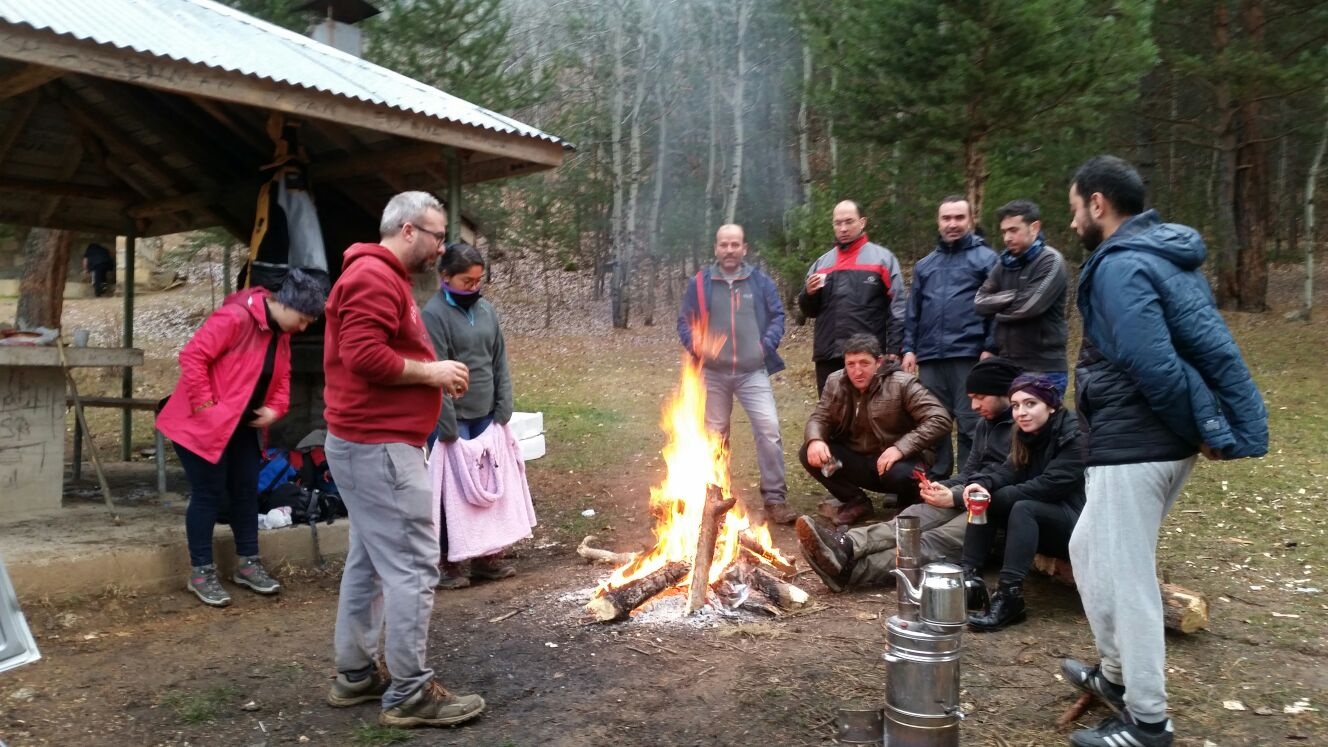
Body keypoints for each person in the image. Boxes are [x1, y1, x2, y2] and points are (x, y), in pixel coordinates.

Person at [1061, 155, 1268, 747]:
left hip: (1137, 442)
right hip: (1145, 439)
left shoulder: (1120, 265)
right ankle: (1116, 675)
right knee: (1085, 547)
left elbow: (1151, 362)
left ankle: (1148, 720)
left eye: (1074, 208)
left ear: (1098, 203)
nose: (1072, 221)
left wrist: (1198, 426)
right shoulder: (1158, 256)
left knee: (1128, 579)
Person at [322, 191, 485, 729]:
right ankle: (411, 693)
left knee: (370, 560)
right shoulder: (373, 277)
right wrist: (432, 372)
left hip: (370, 445)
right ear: (409, 230)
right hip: (380, 448)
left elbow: (376, 349)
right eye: (437, 236)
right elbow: (362, 355)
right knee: (414, 563)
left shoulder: (383, 277)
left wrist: (429, 372)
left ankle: (355, 673)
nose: (442, 248)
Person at [156, 268, 327, 607]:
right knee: (208, 494)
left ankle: (248, 564)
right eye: (303, 319)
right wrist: (207, 406)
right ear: (285, 304)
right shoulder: (234, 318)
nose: (303, 327)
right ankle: (201, 572)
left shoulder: (280, 334)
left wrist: (276, 409)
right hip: (200, 425)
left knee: (246, 491)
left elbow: (283, 376)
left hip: (242, 426)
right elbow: (193, 357)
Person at [796, 357, 1023, 593]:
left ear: (1003, 393)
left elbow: (1012, 485)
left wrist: (955, 497)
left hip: (996, 515)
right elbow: (969, 473)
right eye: (972, 398)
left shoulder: (1023, 432)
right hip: (969, 497)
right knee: (911, 519)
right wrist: (943, 487)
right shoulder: (986, 424)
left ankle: (851, 572)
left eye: (980, 397)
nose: (974, 406)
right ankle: (846, 545)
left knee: (933, 540)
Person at [422, 241, 534, 587]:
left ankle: (487, 556)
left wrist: (503, 405)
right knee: (451, 493)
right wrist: (446, 426)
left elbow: (498, 359)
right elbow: (435, 370)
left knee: (488, 486)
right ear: (446, 277)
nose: (474, 287)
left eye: (478, 280)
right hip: (452, 420)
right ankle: (449, 562)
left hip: (486, 416)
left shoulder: (486, 311)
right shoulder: (433, 315)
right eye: (467, 281)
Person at [677, 224, 794, 525]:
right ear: (716, 248)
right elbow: (684, 322)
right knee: (715, 436)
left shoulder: (760, 281)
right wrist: (697, 346)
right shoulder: (700, 283)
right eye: (724, 244)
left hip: (752, 371)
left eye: (735, 244)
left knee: (768, 429)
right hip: (713, 374)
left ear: (744, 248)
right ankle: (717, 500)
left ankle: (775, 499)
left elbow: (777, 316)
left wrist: (763, 347)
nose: (729, 250)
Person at [957, 374, 1083, 631]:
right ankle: (969, 580)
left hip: (1078, 524)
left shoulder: (1075, 435)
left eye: (1030, 403)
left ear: (1051, 405)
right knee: (984, 499)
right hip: (1043, 519)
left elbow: (1050, 485)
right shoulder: (1026, 433)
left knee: (1023, 508)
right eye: (1015, 405)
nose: (1021, 412)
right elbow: (1008, 470)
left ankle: (1010, 596)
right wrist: (983, 483)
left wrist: (998, 496)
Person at [799, 333, 952, 526]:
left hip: (897, 463)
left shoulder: (902, 383)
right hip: (857, 459)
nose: (857, 371)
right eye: (851, 364)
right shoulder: (835, 381)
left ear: (878, 362)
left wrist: (900, 448)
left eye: (864, 363)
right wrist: (815, 440)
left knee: (903, 473)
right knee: (809, 453)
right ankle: (855, 500)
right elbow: (820, 416)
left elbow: (940, 418)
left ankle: (907, 503)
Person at [902, 195, 997, 479]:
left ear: (970, 220)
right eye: (946, 218)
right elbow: (913, 312)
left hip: (970, 355)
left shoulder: (987, 259)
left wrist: (990, 347)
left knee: (971, 423)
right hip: (930, 357)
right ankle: (938, 482)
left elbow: (998, 309)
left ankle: (968, 482)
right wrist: (909, 348)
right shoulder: (925, 265)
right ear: (938, 221)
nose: (952, 224)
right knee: (934, 423)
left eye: (959, 218)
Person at [798, 200, 907, 394]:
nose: (843, 228)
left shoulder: (883, 260)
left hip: (868, 357)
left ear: (862, 222)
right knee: (831, 410)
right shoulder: (821, 264)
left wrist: (894, 350)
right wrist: (808, 294)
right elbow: (809, 311)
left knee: (873, 410)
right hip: (829, 356)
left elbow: (898, 308)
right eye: (838, 223)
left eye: (849, 222)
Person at [975, 199, 1069, 392]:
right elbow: (980, 303)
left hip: (1044, 368)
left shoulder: (1050, 260)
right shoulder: (1003, 264)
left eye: (1013, 230)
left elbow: (1028, 308)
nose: (1007, 238)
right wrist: (1016, 295)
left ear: (1034, 228)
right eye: (1004, 232)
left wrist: (997, 310)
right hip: (1007, 365)